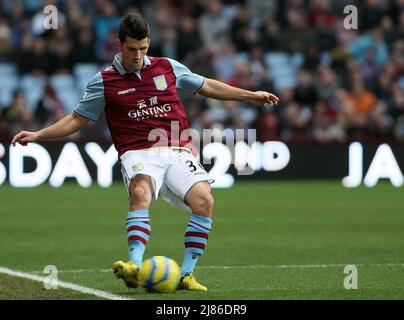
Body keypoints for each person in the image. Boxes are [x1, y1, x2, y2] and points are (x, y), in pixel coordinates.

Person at [11, 13, 279, 291]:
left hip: (177, 148)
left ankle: (186, 274)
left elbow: (207, 85)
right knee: (140, 194)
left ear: (149, 43)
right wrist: (39, 135)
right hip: (137, 153)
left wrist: (251, 95)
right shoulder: (104, 81)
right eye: (131, 49)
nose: (138, 55)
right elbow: (78, 119)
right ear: (119, 44)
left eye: (143, 48)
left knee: (204, 202)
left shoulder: (168, 67)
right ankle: (135, 266)